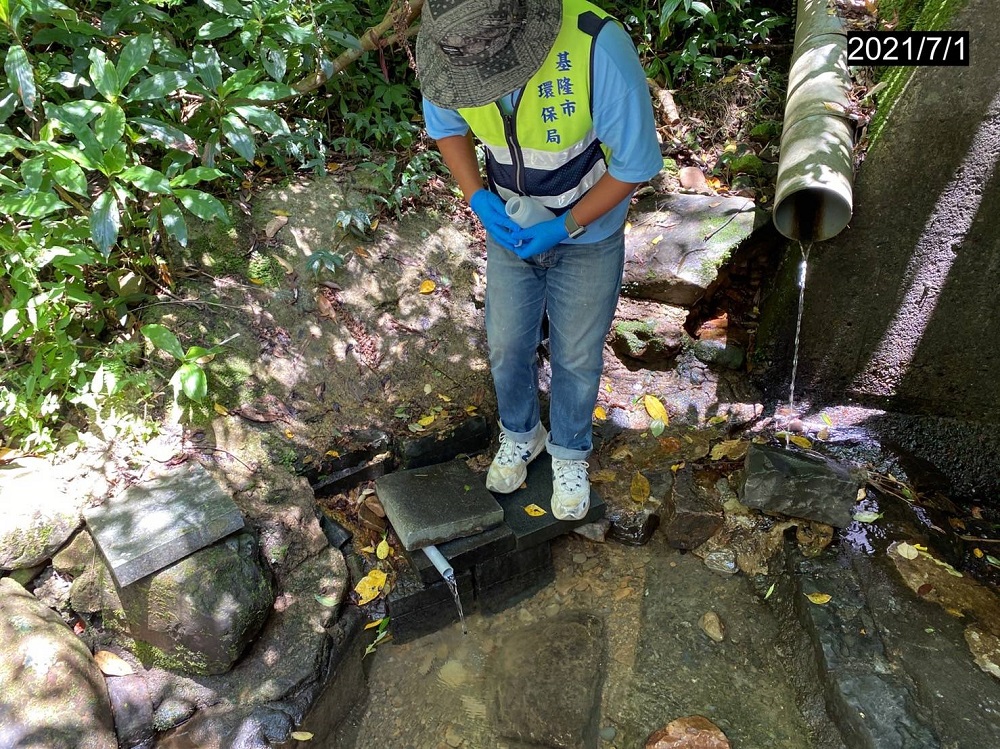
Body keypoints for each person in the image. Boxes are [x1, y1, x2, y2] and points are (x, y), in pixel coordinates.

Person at [416, 0, 661, 520]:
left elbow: (636, 163)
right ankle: (521, 434)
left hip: (590, 233)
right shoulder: (450, 44)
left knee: (576, 354)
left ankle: (570, 451)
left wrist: (564, 225)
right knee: (506, 344)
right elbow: (447, 127)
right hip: (511, 223)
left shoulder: (596, 45)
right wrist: (478, 197)